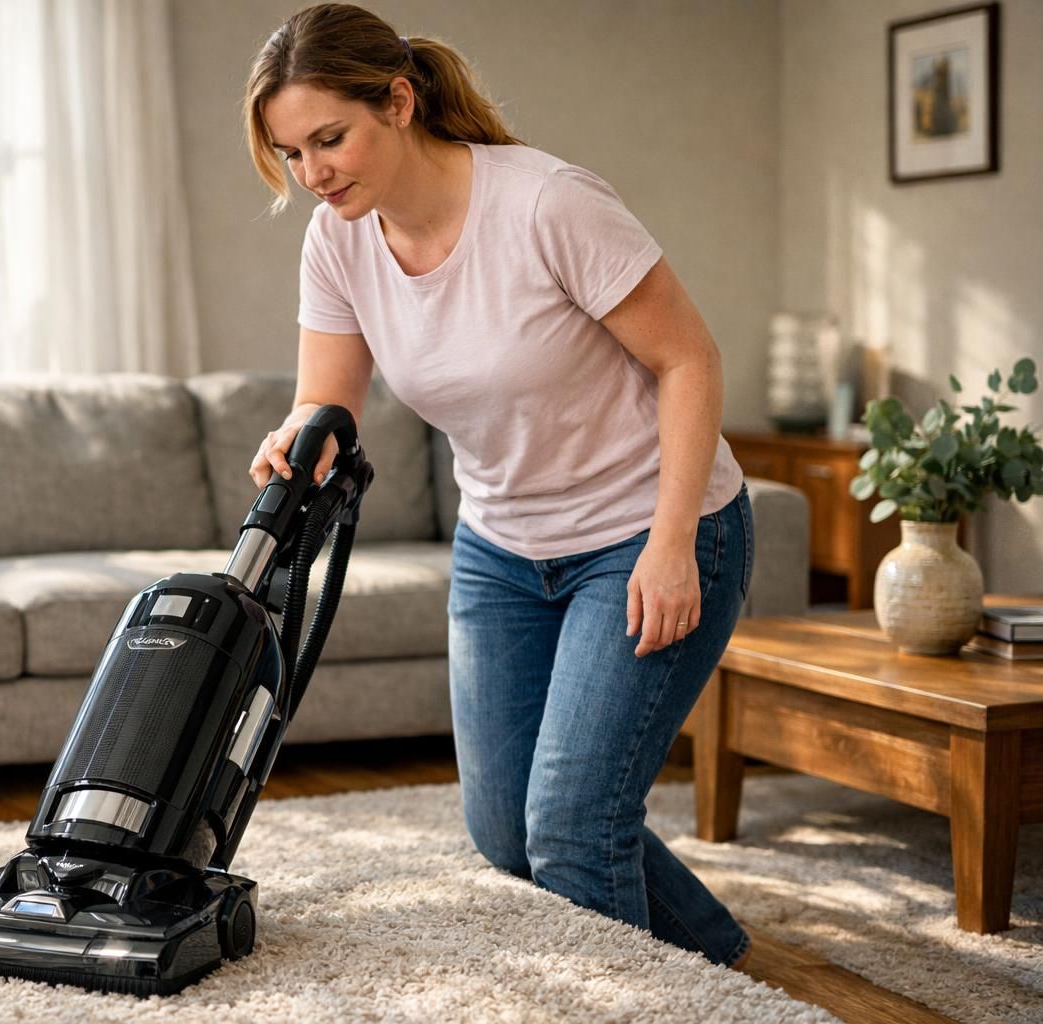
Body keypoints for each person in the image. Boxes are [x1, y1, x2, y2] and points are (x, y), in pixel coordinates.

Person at [242, 3, 755, 969]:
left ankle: (633, 997)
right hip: (503, 551)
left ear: (397, 101)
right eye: (293, 153)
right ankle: (709, 958)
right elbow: (330, 402)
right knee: (509, 836)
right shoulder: (337, 239)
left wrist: (672, 542)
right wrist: (298, 437)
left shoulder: (544, 204)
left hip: (646, 530)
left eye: (328, 139)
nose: (315, 174)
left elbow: (691, 361)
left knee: (570, 823)